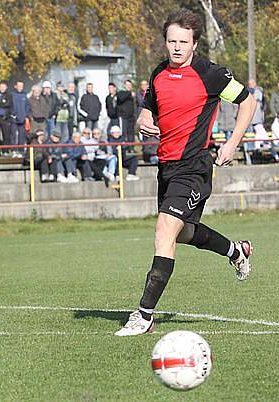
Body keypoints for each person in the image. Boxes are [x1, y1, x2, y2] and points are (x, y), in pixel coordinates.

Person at [115, 8, 255, 337]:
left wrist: (233, 143)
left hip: (194, 168)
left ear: (194, 44)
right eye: (171, 41)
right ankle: (236, 250)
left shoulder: (211, 74)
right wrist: (142, 120)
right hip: (166, 167)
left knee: (164, 231)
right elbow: (148, 109)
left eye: (183, 41)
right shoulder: (159, 73)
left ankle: (144, 316)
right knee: (182, 233)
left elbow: (246, 102)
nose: (176, 47)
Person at [10, 80, 31, 155]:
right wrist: (12, 114)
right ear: (15, 86)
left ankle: (21, 150)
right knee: (13, 134)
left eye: (21, 86)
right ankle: (13, 150)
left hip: (22, 118)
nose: (20, 88)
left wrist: (26, 115)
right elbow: (10, 106)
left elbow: (27, 106)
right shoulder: (12, 95)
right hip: (14, 118)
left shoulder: (24, 95)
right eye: (19, 86)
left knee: (22, 135)